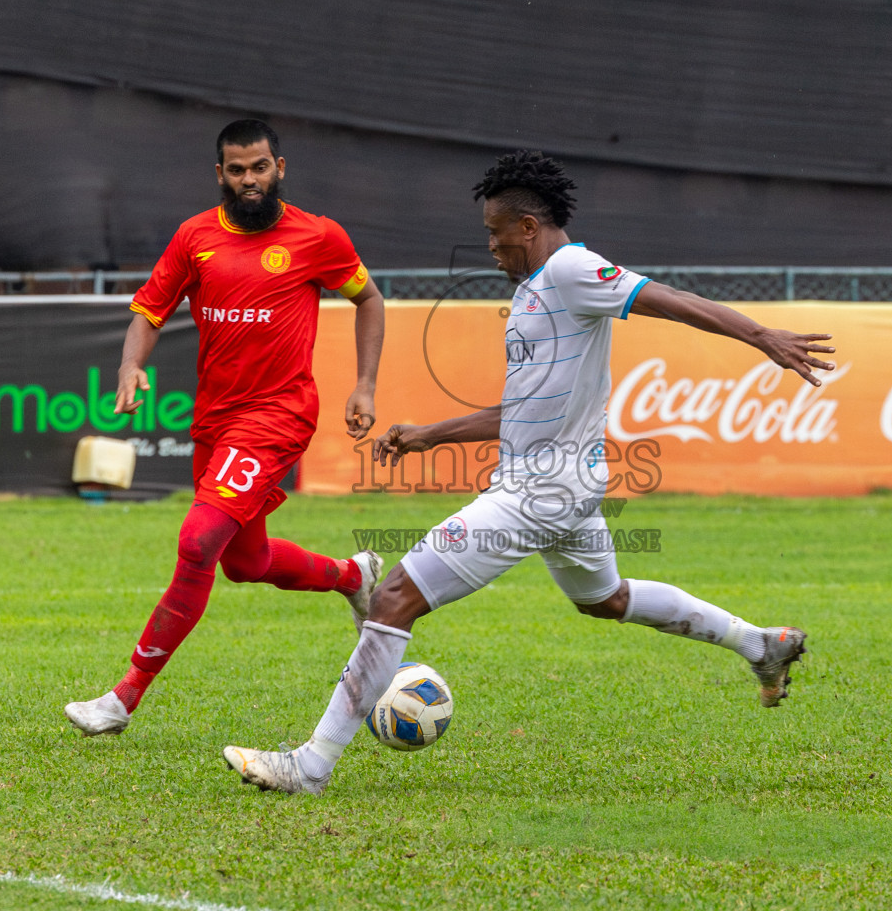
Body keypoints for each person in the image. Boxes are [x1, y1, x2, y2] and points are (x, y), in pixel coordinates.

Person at [222, 149, 835, 792]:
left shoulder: (570, 269)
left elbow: (669, 299)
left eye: (495, 232)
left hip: (542, 488)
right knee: (607, 599)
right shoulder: (533, 296)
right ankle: (759, 645)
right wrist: (433, 435)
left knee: (396, 593)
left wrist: (762, 335)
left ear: (529, 228)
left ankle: (310, 765)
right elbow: (522, 408)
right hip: (566, 486)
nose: (490, 245)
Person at [64, 119, 387, 736]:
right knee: (245, 560)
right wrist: (132, 365)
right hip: (216, 418)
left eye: (259, 168)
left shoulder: (317, 236)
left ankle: (122, 698)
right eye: (236, 170)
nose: (249, 181)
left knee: (196, 542)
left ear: (279, 168)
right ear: (220, 175)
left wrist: (365, 384)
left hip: (279, 413)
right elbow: (148, 309)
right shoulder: (194, 237)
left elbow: (368, 298)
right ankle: (355, 575)